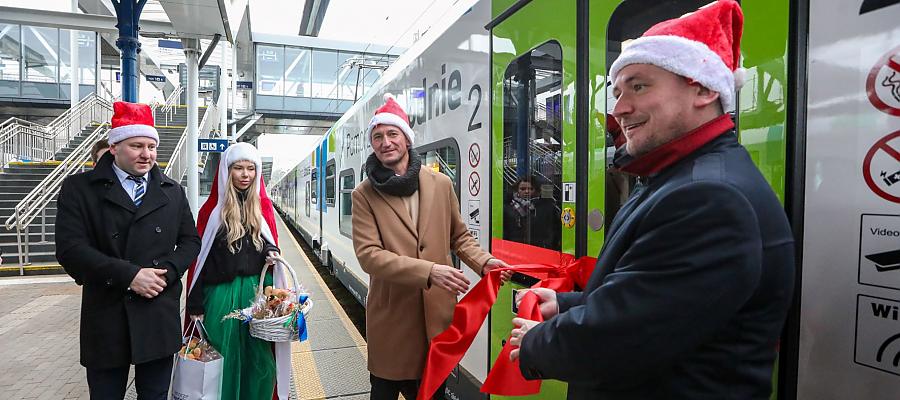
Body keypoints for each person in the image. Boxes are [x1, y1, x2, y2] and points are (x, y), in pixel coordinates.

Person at [508, 1, 795, 398]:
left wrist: (538, 341)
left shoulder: (707, 198)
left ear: (705, 88)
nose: (619, 109)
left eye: (639, 86)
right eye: (618, 91)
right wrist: (564, 303)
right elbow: (650, 300)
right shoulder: (681, 178)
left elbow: (622, 335)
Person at [352, 94, 511, 399]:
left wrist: (484, 262)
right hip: (392, 320)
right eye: (378, 136)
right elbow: (369, 256)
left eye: (392, 134)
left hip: (436, 317)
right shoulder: (364, 194)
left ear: (406, 139)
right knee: (384, 392)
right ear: (372, 144)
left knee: (434, 392)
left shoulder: (440, 185)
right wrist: (430, 271)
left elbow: (460, 237)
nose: (386, 142)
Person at [55, 101, 201, 399]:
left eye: (151, 146)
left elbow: (190, 241)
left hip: (157, 309)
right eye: (137, 145)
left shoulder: (172, 191)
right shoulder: (79, 189)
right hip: (107, 313)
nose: (146, 154)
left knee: (156, 394)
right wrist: (130, 275)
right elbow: (70, 249)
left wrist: (168, 273)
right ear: (114, 147)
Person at [185, 142, 285, 400]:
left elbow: (265, 243)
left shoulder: (262, 208)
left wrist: (271, 250)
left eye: (251, 169)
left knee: (258, 357)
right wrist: (195, 303)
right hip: (220, 296)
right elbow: (200, 260)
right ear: (227, 172)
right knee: (222, 356)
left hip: (255, 294)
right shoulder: (211, 212)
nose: (245, 174)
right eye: (238, 168)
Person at [503, 176, 559, 249]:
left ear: (536, 190)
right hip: (515, 249)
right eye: (522, 189)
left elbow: (554, 229)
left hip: (541, 249)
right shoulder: (508, 208)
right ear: (517, 190)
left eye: (530, 189)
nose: (526, 191)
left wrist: (549, 245)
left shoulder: (547, 207)